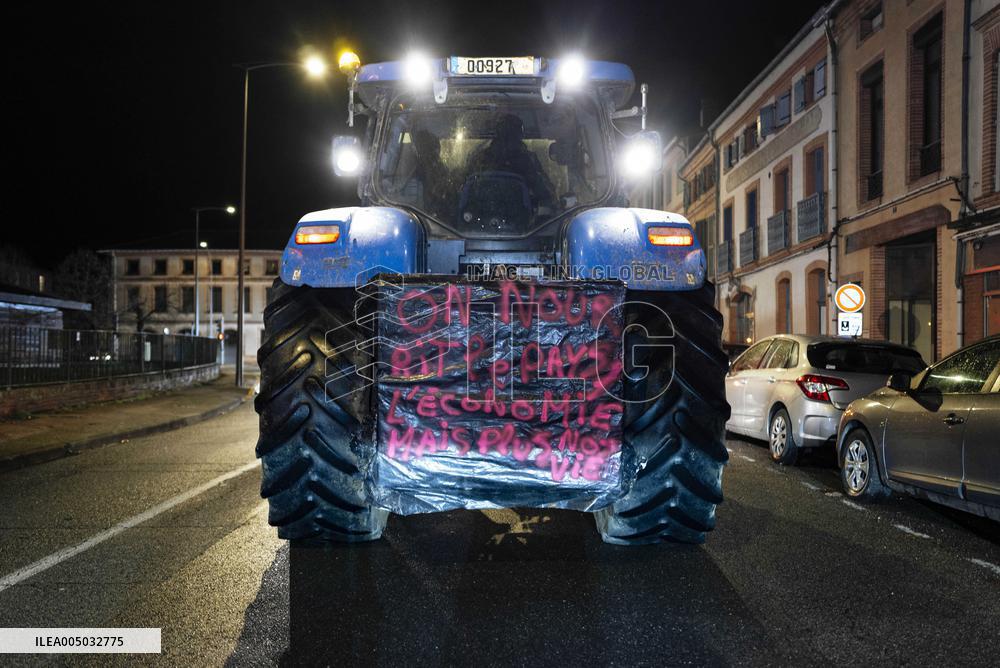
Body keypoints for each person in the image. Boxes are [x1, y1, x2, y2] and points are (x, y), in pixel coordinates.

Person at [469, 114, 554, 208]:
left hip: (519, 215)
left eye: (511, 134)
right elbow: (545, 194)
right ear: (521, 135)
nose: (507, 140)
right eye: (505, 134)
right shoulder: (482, 158)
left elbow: (545, 194)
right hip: (484, 212)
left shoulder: (528, 160)